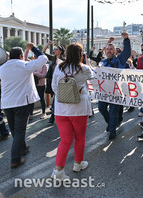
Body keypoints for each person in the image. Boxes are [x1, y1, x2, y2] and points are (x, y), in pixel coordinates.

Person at [0, 43, 48, 168]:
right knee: (20, 131)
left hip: (7, 103)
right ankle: (15, 158)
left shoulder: (2, 68)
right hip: (21, 103)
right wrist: (33, 49)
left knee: (14, 129)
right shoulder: (25, 65)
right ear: (21, 56)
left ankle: (22, 147)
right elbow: (44, 59)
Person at [50, 43, 94, 180]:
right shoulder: (84, 69)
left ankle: (58, 171)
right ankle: (78, 163)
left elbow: (54, 87)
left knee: (64, 140)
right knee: (79, 137)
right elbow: (92, 75)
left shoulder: (58, 67)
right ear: (81, 54)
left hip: (61, 109)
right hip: (79, 108)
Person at [98, 33, 131, 140]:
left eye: (111, 49)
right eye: (107, 49)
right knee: (101, 108)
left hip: (116, 91)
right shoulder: (102, 63)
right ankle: (112, 123)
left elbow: (127, 51)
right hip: (104, 91)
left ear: (114, 51)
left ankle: (112, 131)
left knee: (113, 111)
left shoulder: (120, 60)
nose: (109, 51)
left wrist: (126, 39)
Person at [42, 41, 65, 124]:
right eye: (54, 49)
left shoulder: (64, 60)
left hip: (61, 83)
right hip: (52, 81)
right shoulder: (53, 58)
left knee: (56, 98)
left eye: (56, 49)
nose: (54, 50)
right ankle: (55, 114)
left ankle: (53, 116)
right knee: (55, 98)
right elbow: (43, 53)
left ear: (60, 51)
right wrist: (47, 45)